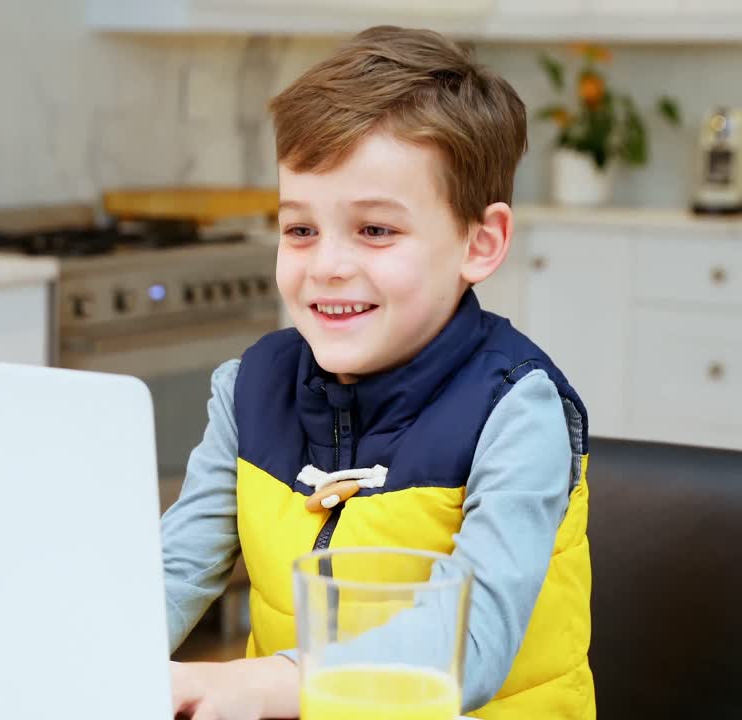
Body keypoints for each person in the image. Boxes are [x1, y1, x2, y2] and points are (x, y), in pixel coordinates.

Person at [160, 25, 594, 720]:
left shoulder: (517, 412)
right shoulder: (247, 390)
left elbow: (471, 643)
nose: (327, 264)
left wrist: (275, 683)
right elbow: (170, 574)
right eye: (300, 229)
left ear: (480, 244)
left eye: (375, 230)